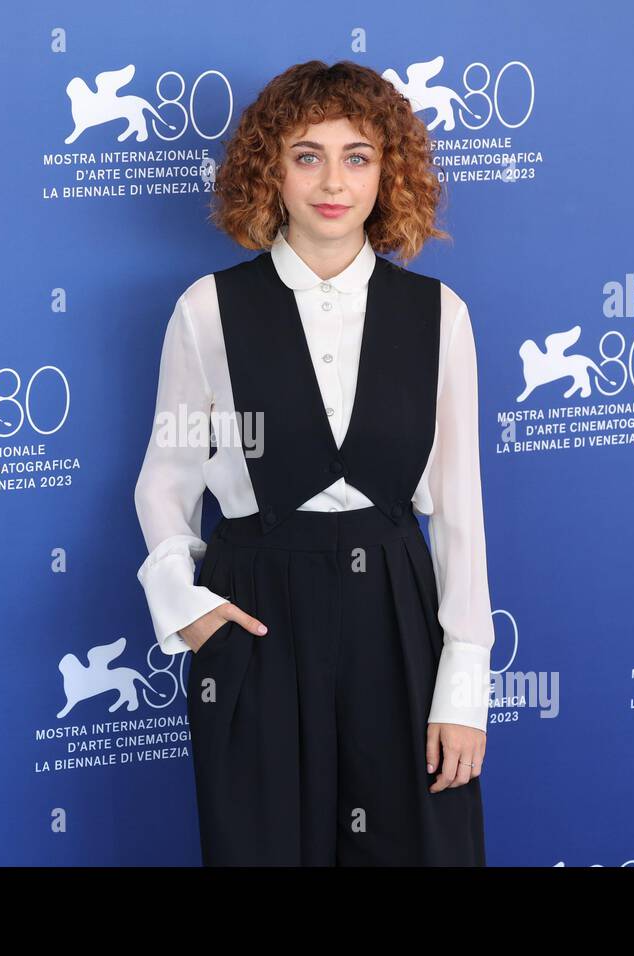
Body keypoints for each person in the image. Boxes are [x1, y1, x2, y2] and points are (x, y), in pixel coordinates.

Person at [133, 60, 495, 866]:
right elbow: (166, 477)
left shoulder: (441, 316)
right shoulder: (208, 309)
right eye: (307, 155)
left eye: (357, 155)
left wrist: (464, 686)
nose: (333, 180)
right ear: (272, 169)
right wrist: (183, 604)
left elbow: (462, 513)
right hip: (255, 612)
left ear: (387, 172)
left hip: (397, 616)